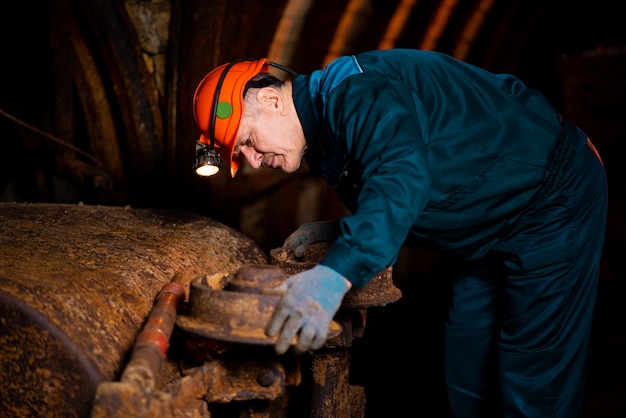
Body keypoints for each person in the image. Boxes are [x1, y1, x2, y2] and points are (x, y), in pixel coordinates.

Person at [191, 49, 608, 417]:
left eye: (246, 140)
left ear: (271, 98)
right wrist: (339, 231)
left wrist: (336, 273)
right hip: (490, 225)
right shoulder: (326, 135)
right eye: (239, 155)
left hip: (550, 196)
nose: (251, 159)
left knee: (535, 371)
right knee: (469, 355)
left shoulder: (356, 92)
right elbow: (406, 189)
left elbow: (400, 179)